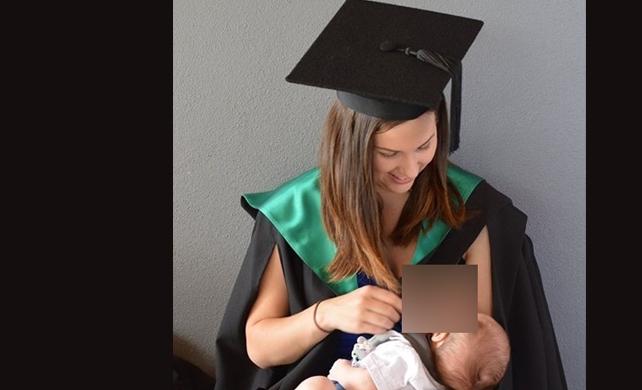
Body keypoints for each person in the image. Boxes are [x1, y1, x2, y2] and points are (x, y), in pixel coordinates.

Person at [214, 1, 567, 389]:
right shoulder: (299, 210)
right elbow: (260, 349)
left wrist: (426, 306)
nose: (410, 169)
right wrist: (328, 314)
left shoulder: (464, 211)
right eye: (388, 154)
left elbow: (465, 360)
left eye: (425, 146)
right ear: (350, 147)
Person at [295, 313, 511, 390]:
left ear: (441, 333)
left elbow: (366, 383)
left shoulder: (407, 357)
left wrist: (342, 369)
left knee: (315, 385)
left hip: (346, 384)